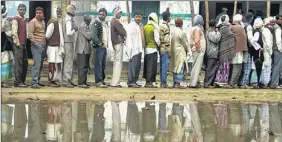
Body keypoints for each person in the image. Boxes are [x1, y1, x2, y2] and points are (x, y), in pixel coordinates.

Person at [215, 15, 236, 88]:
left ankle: (218, 81)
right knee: (225, 67)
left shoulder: (220, 27)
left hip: (222, 49)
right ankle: (223, 82)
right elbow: (232, 35)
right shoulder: (224, 28)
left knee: (221, 66)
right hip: (225, 51)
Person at [45, 7, 64, 87]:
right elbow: (47, 35)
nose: (59, 13)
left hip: (57, 47)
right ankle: (51, 80)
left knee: (57, 64)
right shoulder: (52, 22)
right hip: (52, 47)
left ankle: (55, 80)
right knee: (52, 63)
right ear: (54, 12)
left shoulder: (58, 22)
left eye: (60, 12)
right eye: (57, 11)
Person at [170, 18, 191, 88]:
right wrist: (189, 51)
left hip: (173, 51)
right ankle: (177, 83)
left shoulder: (172, 31)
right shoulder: (182, 33)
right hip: (180, 52)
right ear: (182, 24)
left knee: (174, 67)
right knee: (180, 67)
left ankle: (174, 82)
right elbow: (185, 43)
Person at [28, 7, 46, 89]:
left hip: (43, 46)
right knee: (36, 65)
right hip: (36, 46)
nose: (38, 14)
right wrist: (37, 44)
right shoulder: (32, 22)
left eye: (40, 13)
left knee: (41, 65)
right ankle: (34, 83)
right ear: (35, 14)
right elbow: (30, 35)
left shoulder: (43, 21)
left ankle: (38, 81)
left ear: (42, 14)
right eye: (37, 13)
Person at [228, 14, 248, 88]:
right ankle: (232, 83)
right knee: (237, 67)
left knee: (236, 67)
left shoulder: (231, 27)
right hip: (238, 50)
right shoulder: (240, 27)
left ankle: (232, 82)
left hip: (235, 49)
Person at [125, 12, 144, 88]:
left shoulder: (140, 26)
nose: (138, 18)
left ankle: (134, 81)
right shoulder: (130, 26)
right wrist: (129, 50)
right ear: (134, 17)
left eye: (139, 17)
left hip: (139, 49)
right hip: (133, 50)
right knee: (132, 67)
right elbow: (128, 39)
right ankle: (131, 82)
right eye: (136, 17)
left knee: (137, 67)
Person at [11, 4, 28, 87]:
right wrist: (17, 43)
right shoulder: (16, 19)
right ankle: (18, 82)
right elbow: (14, 32)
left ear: (25, 11)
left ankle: (22, 81)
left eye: (23, 9)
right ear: (17, 10)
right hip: (18, 45)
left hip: (23, 44)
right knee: (18, 64)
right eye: (20, 9)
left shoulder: (24, 19)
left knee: (25, 63)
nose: (22, 11)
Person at [92, 8, 109, 88]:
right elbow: (93, 35)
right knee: (98, 64)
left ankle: (102, 80)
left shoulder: (105, 23)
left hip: (104, 47)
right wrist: (99, 43)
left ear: (106, 15)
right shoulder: (96, 23)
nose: (101, 16)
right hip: (99, 47)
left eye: (103, 14)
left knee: (103, 65)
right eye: (100, 14)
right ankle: (98, 81)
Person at [110, 7, 126, 88]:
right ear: (116, 13)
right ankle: (115, 82)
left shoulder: (112, 21)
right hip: (118, 43)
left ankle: (114, 81)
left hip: (115, 43)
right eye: (119, 13)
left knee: (116, 62)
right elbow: (123, 31)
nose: (120, 14)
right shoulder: (116, 21)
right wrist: (124, 32)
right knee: (118, 63)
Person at [62, 4, 78, 88]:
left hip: (69, 42)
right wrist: (74, 29)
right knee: (68, 62)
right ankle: (66, 80)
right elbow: (68, 33)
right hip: (68, 42)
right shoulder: (68, 20)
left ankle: (69, 79)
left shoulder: (70, 19)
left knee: (70, 61)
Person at [143, 12, 160, 88]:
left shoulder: (145, 27)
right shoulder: (155, 27)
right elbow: (157, 40)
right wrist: (159, 46)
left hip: (146, 49)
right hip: (153, 49)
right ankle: (149, 82)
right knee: (151, 66)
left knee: (147, 65)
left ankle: (147, 81)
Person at [189, 15, 206, 88]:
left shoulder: (193, 28)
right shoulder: (197, 29)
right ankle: (193, 83)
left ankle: (196, 82)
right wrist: (199, 49)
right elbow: (197, 40)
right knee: (197, 67)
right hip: (198, 50)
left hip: (194, 49)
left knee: (195, 66)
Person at [75, 15, 92, 88]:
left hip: (86, 49)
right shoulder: (82, 26)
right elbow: (89, 36)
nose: (90, 21)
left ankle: (84, 82)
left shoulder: (87, 26)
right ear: (86, 20)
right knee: (82, 66)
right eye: (89, 20)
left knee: (85, 66)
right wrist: (92, 33)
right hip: (82, 50)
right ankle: (81, 83)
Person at [204, 19, 221, 88]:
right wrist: (219, 32)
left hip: (212, 52)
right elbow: (216, 39)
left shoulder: (210, 31)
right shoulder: (210, 32)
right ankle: (207, 84)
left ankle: (210, 83)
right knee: (210, 69)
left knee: (211, 68)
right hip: (212, 53)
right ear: (214, 25)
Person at [239, 12, 254, 88]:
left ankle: (239, 81)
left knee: (240, 67)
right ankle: (244, 83)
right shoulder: (249, 27)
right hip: (247, 49)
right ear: (251, 18)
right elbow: (250, 39)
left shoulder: (241, 25)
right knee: (247, 67)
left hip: (240, 48)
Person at [1, 5, 13, 88]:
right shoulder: (5, 21)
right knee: (4, 63)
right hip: (4, 46)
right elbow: (9, 33)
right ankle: (3, 82)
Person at [250, 17, 264, 88]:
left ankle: (257, 82)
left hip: (257, 52)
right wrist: (259, 48)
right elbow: (253, 41)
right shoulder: (257, 32)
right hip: (257, 52)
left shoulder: (256, 31)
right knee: (256, 67)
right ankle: (255, 82)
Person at [269, 15, 282, 89]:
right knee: (277, 66)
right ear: (277, 20)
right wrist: (281, 49)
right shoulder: (278, 28)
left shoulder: (276, 27)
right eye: (280, 19)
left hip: (276, 49)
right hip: (278, 49)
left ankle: (275, 82)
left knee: (277, 66)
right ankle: (274, 83)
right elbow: (278, 41)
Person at [159, 10, 171, 88]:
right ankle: (164, 82)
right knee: (164, 66)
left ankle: (162, 81)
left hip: (160, 48)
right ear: (168, 18)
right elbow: (166, 40)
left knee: (161, 66)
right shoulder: (166, 27)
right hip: (165, 49)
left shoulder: (160, 25)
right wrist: (169, 51)